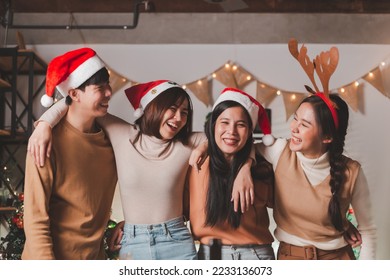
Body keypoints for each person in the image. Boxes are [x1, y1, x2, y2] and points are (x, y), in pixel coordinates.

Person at [27, 80, 254, 260]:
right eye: (172, 109)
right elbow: (76, 103)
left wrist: (245, 167)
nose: (179, 118)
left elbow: (237, 140)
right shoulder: (122, 135)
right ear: (152, 108)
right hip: (132, 243)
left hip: (176, 241)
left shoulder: (189, 142)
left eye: (185, 112)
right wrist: (44, 124)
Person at [253, 40, 376, 260]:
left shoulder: (351, 172)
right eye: (295, 119)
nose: (294, 128)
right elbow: (236, 148)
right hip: (291, 259)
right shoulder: (280, 150)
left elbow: (368, 231)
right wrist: (244, 169)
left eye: (305, 125)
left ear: (327, 137)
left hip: (338, 260)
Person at [22, 47, 118, 259]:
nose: (109, 92)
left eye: (108, 85)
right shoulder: (45, 142)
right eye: (100, 88)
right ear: (74, 94)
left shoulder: (110, 141)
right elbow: (35, 217)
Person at [187, 88, 276, 260]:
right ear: (213, 125)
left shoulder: (263, 165)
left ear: (250, 130)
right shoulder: (195, 159)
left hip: (256, 255)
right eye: (225, 122)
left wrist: (247, 164)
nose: (232, 131)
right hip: (211, 254)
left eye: (241, 125)